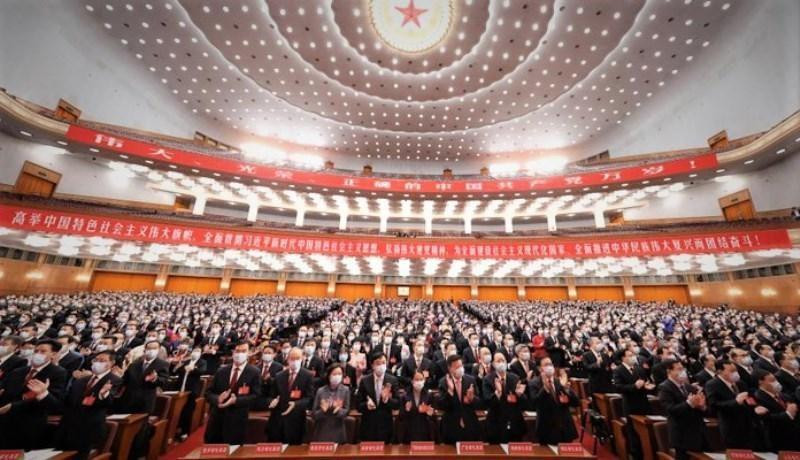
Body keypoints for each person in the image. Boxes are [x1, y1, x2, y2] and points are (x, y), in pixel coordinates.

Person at [50, 350, 121, 460]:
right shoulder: (81, 380)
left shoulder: (114, 380)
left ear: (111, 363)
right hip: (67, 427)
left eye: (102, 360)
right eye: (96, 360)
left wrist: (103, 394)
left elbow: (110, 402)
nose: (97, 363)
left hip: (88, 430)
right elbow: (68, 401)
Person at [0, 338, 68, 450]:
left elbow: (55, 404)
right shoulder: (18, 371)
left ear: (53, 354)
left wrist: (43, 394)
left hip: (28, 426)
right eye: (36, 351)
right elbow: (5, 391)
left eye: (43, 351)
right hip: (5, 423)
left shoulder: (58, 373)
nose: (38, 354)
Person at [204, 342, 261, 444]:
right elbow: (208, 393)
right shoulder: (221, 371)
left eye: (243, 351)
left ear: (249, 353)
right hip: (217, 419)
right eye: (237, 351)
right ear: (233, 352)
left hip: (237, 420)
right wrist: (217, 398)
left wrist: (236, 400)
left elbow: (255, 395)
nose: (239, 354)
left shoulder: (254, 372)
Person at [705, 360, 765, 450]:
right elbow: (714, 405)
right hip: (731, 426)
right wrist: (735, 402)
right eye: (732, 371)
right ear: (720, 371)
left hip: (748, 425)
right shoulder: (712, 384)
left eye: (735, 370)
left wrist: (756, 406)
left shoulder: (741, 383)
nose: (735, 373)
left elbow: (749, 398)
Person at [657, 359, 707, 460]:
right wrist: (689, 403)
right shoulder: (664, 387)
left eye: (683, 369)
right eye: (679, 369)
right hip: (681, 434)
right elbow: (670, 409)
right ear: (669, 371)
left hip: (698, 431)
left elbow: (701, 407)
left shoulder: (689, 387)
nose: (682, 371)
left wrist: (702, 406)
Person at [266, 347, 314, 444]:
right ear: (288, 359)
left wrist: (296, 404)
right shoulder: (279, 376)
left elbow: (309, 398)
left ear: (302, 359)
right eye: (292, 358)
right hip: (277, 421)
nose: (294, 361)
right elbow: (270, 396)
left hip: (296, 421)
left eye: (297, 358)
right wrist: (271, 401)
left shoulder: (307, 376)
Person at [614, 348, 655, 459]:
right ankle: (636, 454)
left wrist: (646, 386)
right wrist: (634, 386)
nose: (632, 357)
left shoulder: (638, 368)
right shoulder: (618, 370)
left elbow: (645, 382)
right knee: (633, 431)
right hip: (630, 404)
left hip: (643, 402)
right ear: (623, 358)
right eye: (629, 355)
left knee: (647, 429)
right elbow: (618, 387)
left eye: (633, 355)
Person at [527, 357, 579, 444]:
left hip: (565, 428)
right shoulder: (534, 383)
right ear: (540, 368)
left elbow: (576, 403)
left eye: (551, 364)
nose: (549, 367)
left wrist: (567, 391)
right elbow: (534, 404)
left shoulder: (559, 381)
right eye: (546, 365)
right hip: (547, 429)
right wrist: (545, 389)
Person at [482, 352, 528, 443]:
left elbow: (524, 402)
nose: (501, 363)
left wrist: (520, 395)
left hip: (514, 423)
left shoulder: (515, 378)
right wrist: (498, 393)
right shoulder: (488, 379)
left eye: (503, 360)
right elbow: (487, 401)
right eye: (498, 361)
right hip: (496, 424)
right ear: (493, 364)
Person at [436, 354, 482, 444]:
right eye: (457, 367)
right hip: (451, 426)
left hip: (470, 425)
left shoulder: (471, 380)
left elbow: (479, 404)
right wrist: (450, 391)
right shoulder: (443, 382)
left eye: (461, 366)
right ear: (450, 369)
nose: (460, 369)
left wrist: (472, 399)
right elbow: (441, 405)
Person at [752, 369, 799, 452]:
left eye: (775, 380)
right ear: (761, 382)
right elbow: (766, 419)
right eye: (772, 380)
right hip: (777, 439)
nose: (776, 382)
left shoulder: (783, 396)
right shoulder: (758, 397)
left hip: (793, 437)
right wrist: (787, 414)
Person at [118, 339, 169, 414]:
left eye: (154, 348)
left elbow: (164, 380)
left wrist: (155, 379)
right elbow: (124, 380)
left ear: (158, 350)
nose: (151, 350)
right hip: (129, 399)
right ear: (145, 349)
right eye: (149, 348)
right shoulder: (134, 364)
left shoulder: (162, 364)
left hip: (145, 401)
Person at [357, 352, 399, 442]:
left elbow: (397, 404)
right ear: (372, 365)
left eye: (383, 362)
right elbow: (358, 405)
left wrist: (387, 400)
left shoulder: (393, 380)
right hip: (368, 425)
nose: (381, 365)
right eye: (378, 363)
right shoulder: (364, 380)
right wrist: (366, 405)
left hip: (386, 426)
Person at [310, 363, 350, 443]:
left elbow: (346, 411)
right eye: (334, 374)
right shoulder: (320, 391)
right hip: (322, 431)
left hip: (338, 431)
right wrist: (323, 410)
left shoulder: (345, 390)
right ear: (329, 375)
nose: (337, 376)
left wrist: (337, 410)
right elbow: (314, 414)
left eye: (339, 374)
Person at [399, 371, 435, 443]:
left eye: (421, 379)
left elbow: (433, 417)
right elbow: (401, 417)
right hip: (409, 432)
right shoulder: (405, 396)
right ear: (412, 381)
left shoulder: (429, 396)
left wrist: (430, 413)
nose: (419, 382)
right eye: (416, 379)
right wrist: (407, 410)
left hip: (425, 431)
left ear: (424, 380)